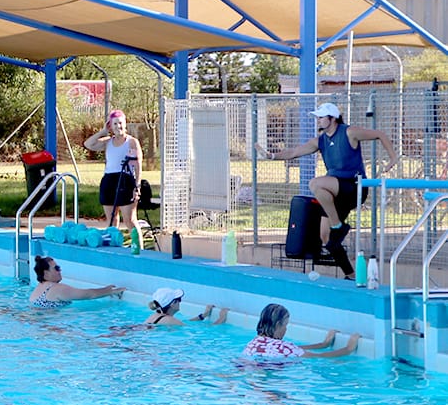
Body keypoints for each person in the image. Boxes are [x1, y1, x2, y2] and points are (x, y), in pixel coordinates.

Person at [257, 102, 398, 279]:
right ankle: (351, 274)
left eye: (321, 117)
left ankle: (338, 225)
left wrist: (393, 157)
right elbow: (293, 152)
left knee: (316, 184)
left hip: (355, 187)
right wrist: (271, 156)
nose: (318, 120)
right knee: (326, 238)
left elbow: (379, 134)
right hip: (336, 192)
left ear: (332, 118)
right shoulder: (320, 141)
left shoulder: (349, 132)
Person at [84, 109, 144, 235]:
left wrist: (137, 185)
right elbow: (88, 144)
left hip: (125, 181)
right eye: (115, 124)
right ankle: (114, 248)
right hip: (109, 181)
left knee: (130, 220)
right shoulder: (107, 142)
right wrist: (103, 131)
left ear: (125, 124)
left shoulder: (132, 142)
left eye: (120, 123)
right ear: (111, 126)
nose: (118, 126)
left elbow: (138, 164)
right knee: (112, 220)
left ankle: (138, 250)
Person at [241, 303, 359, 360]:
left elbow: (291, 349)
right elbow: (319, 357)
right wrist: (348, 349)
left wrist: (324, 344)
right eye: (285, 325)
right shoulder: (285, 348)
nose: (286, 329)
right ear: (278, 325)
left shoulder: (253, 344)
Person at [29, 255, 125, 308]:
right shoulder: (56, 288)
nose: (60, 271)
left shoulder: (39, 288)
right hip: (52, 327)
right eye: (56, 268)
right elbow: (89, 294)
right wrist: (109, 291)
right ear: (46, 273)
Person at [144, 287, 228, 327]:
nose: (180, 302)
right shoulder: (170, 320)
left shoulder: (155, 316)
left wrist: (203, 315)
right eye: (179, 299)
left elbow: (186, 322)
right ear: (172, 304)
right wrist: (221, 319)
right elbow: (203, 331)